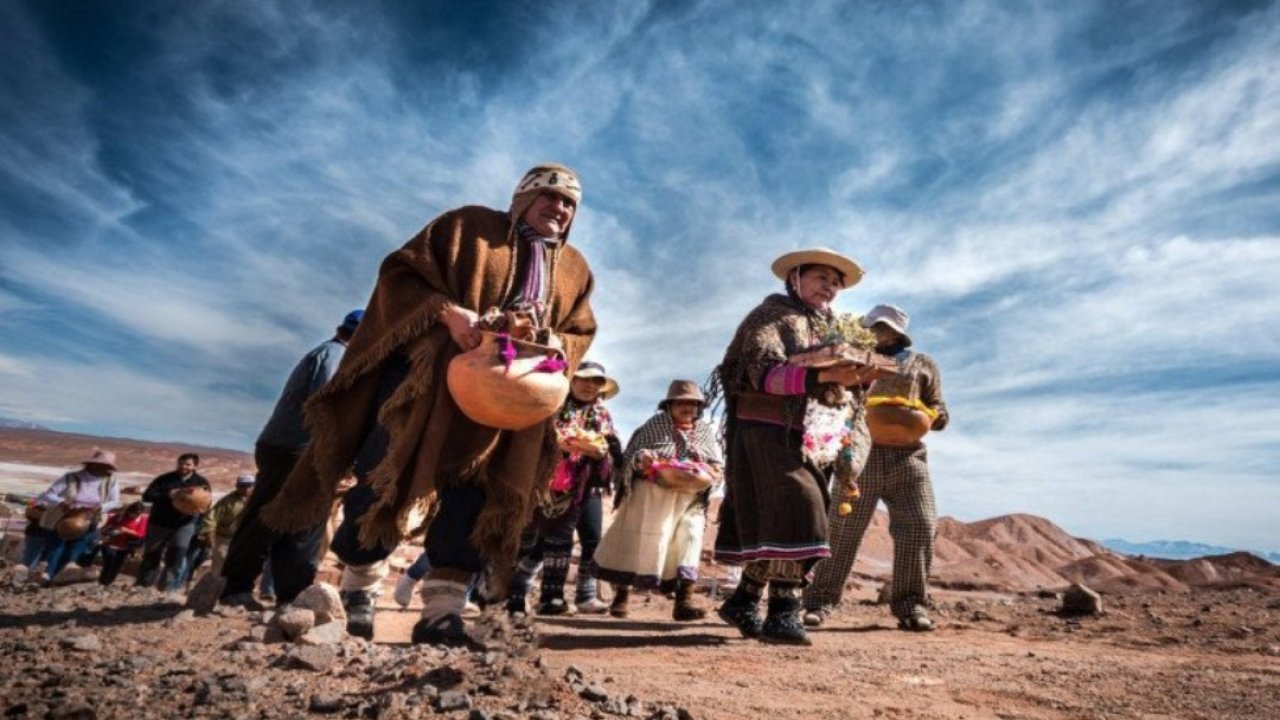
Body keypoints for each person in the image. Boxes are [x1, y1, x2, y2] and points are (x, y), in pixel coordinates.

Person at [260, 163, 597, 646]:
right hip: (427, 382)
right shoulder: (467, 228)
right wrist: (448, 313)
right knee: (383, 476)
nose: (561, 208)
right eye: (550, 196)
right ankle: (359, 586)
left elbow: (581, 331)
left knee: (474, 495)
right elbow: (400, 274)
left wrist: (552, 341)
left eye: (570, 203)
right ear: (523, 197)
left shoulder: (574, 269)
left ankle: (442, 612)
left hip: (507, 400)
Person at [711, 248, 880, 645]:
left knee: (786, 514)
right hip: (765, 428)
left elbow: (840, 386)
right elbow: (759, 372)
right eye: (822, 277)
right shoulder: (769, 317)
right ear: (795, 278)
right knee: (801, 505)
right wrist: (819, 378)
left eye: (836, 282)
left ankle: (745, 599)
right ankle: (785, 611)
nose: (831, 287)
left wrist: (858, 378)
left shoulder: (835, 331)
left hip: (810, 433)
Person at [802, 304, 949, 631]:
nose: (879, 332)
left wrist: (926, 415)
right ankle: (818, 602)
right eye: (874, 326)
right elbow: (829, 395)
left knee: (921, 526)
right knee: (842, 529)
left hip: (909, 456)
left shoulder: (923, 364)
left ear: (899, 333)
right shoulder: (850, 358)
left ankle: (912, 606)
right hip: (858, 453)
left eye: (885, 327)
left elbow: (939, 409)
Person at [218, 310, 363, 607]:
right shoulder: (335, 357)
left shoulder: (330, 354)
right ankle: (237, 587)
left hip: (296, 448)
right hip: (296, 449)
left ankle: (291, 595)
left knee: (302, 522)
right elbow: (328, 407)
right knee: (273, 516)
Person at [593, 380, 723, 621]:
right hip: (651, 496)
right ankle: (621, 596)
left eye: (693, 404)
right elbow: (632, 456)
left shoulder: (704, 431)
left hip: (690, 499)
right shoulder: (653, 426)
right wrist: (643, 459)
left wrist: (712, 472)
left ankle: (683, 601)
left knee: (691, 538)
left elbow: (716, 464)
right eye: (681, 402)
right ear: (669, 405)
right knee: (639, 541)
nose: (687, 408)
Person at [505, 360, 622, 616]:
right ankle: (517, 596)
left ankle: (573, 596)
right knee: (535, 539)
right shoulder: (553, 405)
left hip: (587, 485)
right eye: (584, 379)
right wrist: (560, 445)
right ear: (572, 380)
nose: (590, 386)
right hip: (547, 481)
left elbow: (611, 448)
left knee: (590, 538)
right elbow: (535, 436)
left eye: (596, 382)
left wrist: (601, 451)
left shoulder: (602, 415)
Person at [29, 449, 122, 584]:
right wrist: (63, 502)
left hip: (89, 519)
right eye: (102, 466)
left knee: (77, 548)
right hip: (63, 518)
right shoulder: (70, 477)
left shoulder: (111, 481)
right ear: (92, 464)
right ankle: (46, 576)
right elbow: (48, 495)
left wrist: (101, 507)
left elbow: (115, 501)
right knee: (56, 547)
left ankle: (63, 576)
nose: (105, 469)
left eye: (107, 467)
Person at [136, 453, 210, 591]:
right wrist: (169, 495)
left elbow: (206, 504)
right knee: (152, 554)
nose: (183, 466)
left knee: (177, 557)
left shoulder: (201, 483)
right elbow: (147, 496)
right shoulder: (164, 479)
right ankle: (143, 586)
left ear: (195, 466)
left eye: (188, 464)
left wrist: (199, 514)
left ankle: (166, 589)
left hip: (184, 525)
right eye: (181, 463)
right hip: (159, 523)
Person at [198, 475, 255, 578]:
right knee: (220, 569)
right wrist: (210, 537)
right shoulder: (227, 501)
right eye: (242, 486)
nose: (246, 489)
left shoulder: (259, 500)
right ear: (237, 486)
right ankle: (216, 590)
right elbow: (211, 518)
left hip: (247, 540)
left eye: (249, 486)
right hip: (225, 539)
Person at [98, 501, 149, 586]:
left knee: (116, 566)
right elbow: (106, 528)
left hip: (125, 547)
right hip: (110, 544)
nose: (134, 516)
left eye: (137, 514)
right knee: (108, 565)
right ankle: (103, 582)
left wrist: (127, 530)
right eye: (133, 513)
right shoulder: (120, 517)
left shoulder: (142, 519)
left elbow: (141, 534)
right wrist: (112, 530)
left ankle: (108, 583)